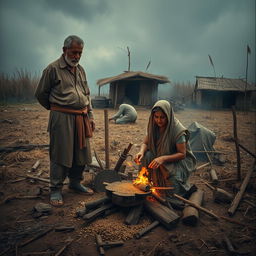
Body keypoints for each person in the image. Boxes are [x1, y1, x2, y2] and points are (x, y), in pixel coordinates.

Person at [35, 35, 94, 207]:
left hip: (81, 117)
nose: (77, 56)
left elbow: (87, 95)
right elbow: (41, 94)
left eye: (80, 53)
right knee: (61, 153)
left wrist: (90, 116)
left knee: (81, 152)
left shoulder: (81, 70)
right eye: (74, 52)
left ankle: (75, 182)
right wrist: (56, 110)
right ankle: (55, 189)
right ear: (64, 50)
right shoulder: (52, 69)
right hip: (62, 117)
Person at [135, 100, 196, 207]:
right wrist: (141, 152)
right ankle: (146, 184)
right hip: (160, 157)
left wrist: (163, 159)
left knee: (173, 190)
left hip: (177, 162)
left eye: (162, 117)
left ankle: (168, 195)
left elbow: (182, 154)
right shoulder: (153, 126)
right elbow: (145, 142)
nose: (159, 120)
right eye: (156, 117)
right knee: (146, 156)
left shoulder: (177, 130)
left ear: (168, 115)